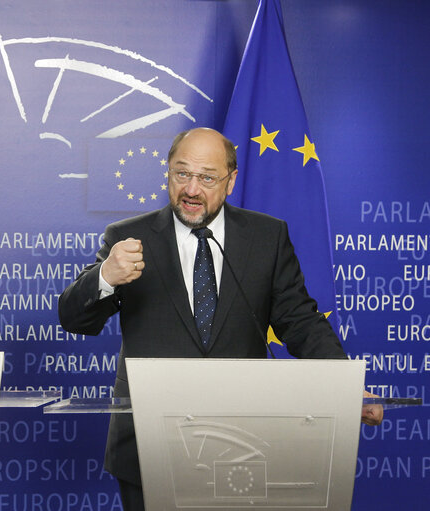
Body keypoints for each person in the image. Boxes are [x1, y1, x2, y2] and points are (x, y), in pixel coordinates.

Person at [58, 127, 382, 510]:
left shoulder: (266, 237)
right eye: (182, 174)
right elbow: (74, 319)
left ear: (230, 181)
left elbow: (301, 321)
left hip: (243, 441)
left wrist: (342, 382)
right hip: (148, 444)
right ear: (167, 174)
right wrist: (105, 277)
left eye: (207, 177)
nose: (192, 189)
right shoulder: (128, 237)